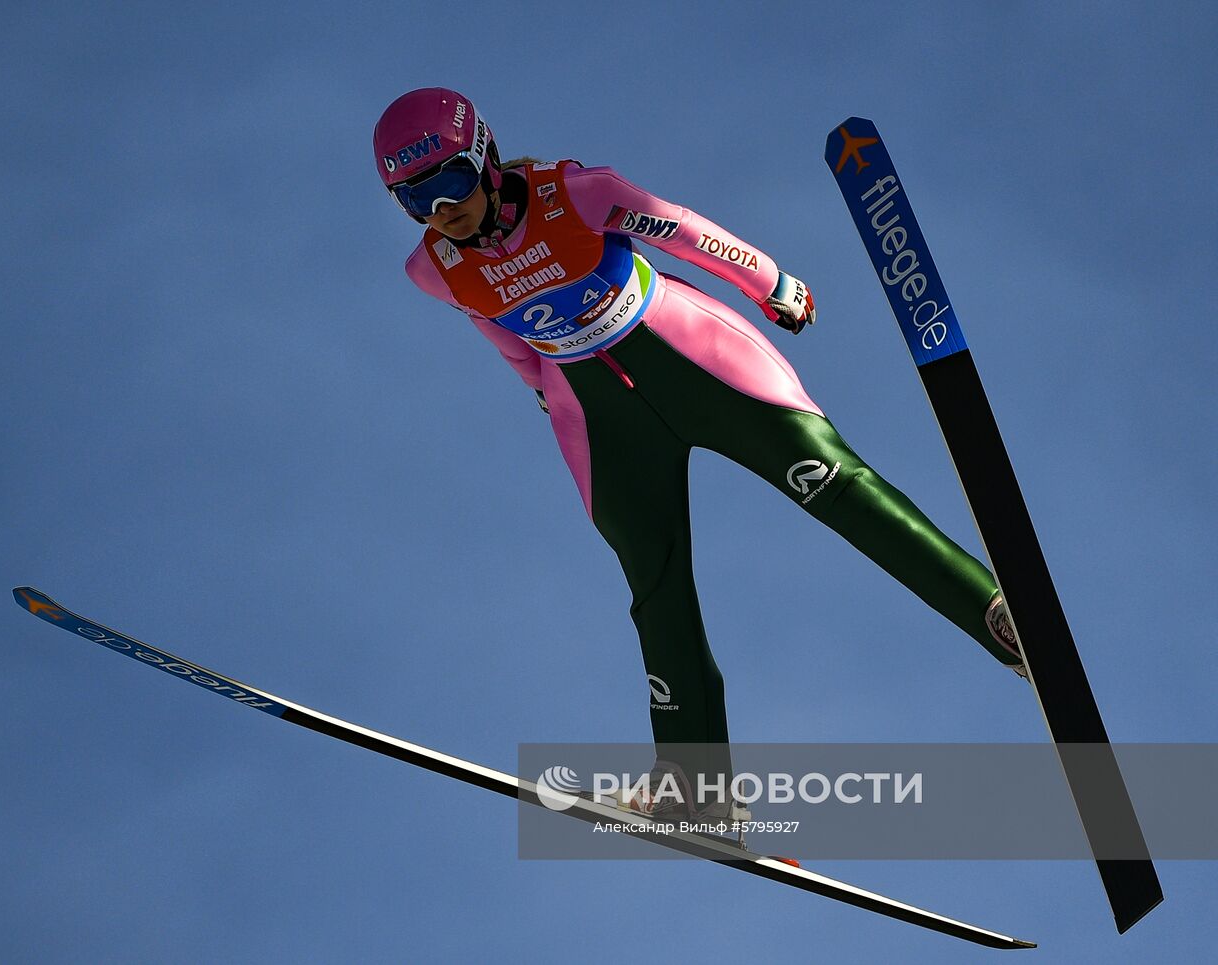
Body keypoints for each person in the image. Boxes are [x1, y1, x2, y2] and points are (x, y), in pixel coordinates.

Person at [374, 87, 1024, 820]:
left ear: (485, 159)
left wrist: (770, 282)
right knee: (656, 587)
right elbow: (502, 336)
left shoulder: (579, 194)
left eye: (449, 183)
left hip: (691, 358)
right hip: (596, 414)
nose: (440, 210)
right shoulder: (432, 269)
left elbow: (685, 233)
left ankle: (1000, 618)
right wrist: (545, 391)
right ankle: (694, 785)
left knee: (832, 484)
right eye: (413, 200)